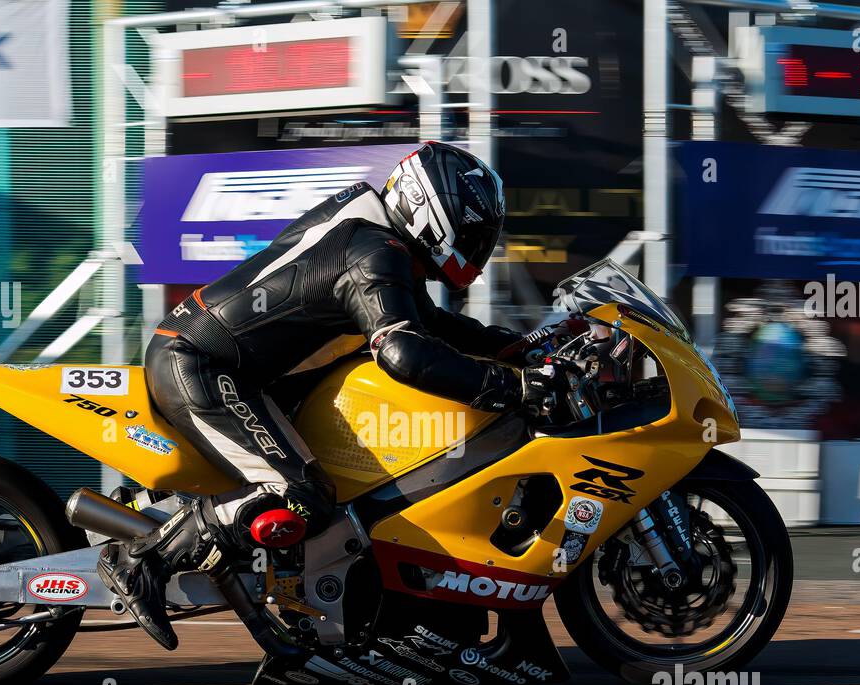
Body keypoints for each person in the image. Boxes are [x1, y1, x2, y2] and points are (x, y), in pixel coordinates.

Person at [98, 141, 565, 649]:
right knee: (301, 496)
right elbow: (401, 351)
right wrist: (511, 387)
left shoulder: (380, 245)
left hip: (234, 370)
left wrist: (522, 348)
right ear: (435, 213)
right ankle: (144, 559)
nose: (479, 248)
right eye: (474, 234)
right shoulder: (373, 252)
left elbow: (432, 326)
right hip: (202, 365)